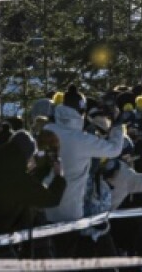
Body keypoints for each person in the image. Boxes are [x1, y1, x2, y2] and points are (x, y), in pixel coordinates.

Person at [42, 85, 123, 226]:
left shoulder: (47, 130)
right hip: (70, 211)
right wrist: (117, 124)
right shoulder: (82, 140)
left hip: (45, 206)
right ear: (81, 111)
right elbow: (114, 149)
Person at [0, 130, 66, 240]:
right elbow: (51, 199)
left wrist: (40, 171)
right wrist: (59, 176)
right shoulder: (18, 179)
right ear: (26, 155)